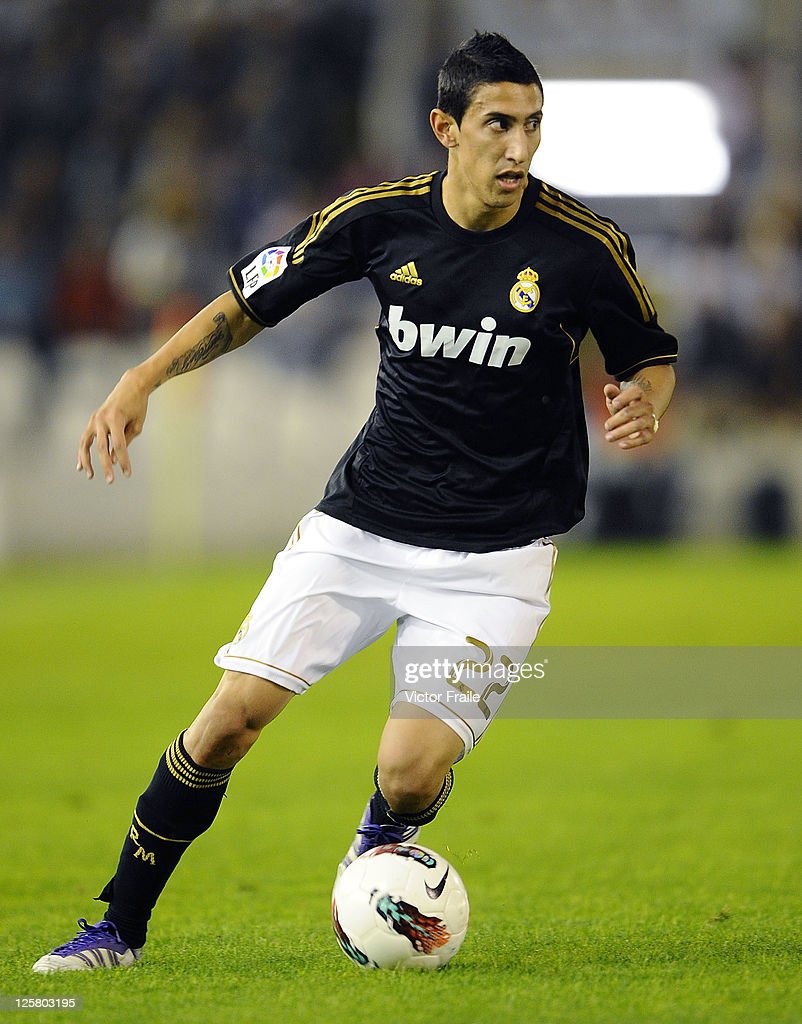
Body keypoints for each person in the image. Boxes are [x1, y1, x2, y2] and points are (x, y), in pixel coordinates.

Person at [33, 31, 676, 972]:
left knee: (411, 770)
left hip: (499, 555)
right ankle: (115, 931)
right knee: (226, 724)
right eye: (499, 125)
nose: (520, 148)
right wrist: (143, 376)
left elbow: (650, 354)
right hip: (363, 524)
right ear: (445, 129)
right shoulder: (377, 220)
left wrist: (641, 405)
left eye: (534, 126)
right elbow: (246, 302)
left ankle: (380, 836)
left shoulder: (581, 247)